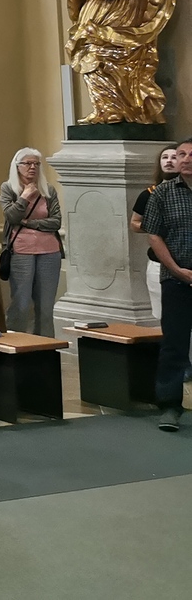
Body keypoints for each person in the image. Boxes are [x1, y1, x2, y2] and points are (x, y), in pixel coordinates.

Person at [140, 137, 192, 431]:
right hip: (176, 279)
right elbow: (154, 234)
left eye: (191, 154)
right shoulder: (162, 193)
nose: (185, 159)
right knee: (174, 344)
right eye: (181, 154)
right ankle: (170, 405)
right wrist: (177, 270)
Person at [0, 147, 63, 335]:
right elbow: (11, 216)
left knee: (45, 306)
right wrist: (25, 197)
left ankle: (46, 346)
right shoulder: (8, 188)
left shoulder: (48, 190)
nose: (32, 167)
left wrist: (28, 223)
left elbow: (56, 222)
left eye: (36, 164)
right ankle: (17, 343)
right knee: (22, 303)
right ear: (17, 166)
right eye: (27, 163)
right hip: (21, 251)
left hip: (50, 251)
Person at [131, 146, 180, 321]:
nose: (169, 161)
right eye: (165, 157)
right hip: (160, 261)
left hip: (185, 258)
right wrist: (156, 226)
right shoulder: (150, 194)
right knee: (163, 315)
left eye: (174, 157)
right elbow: (134, 223)